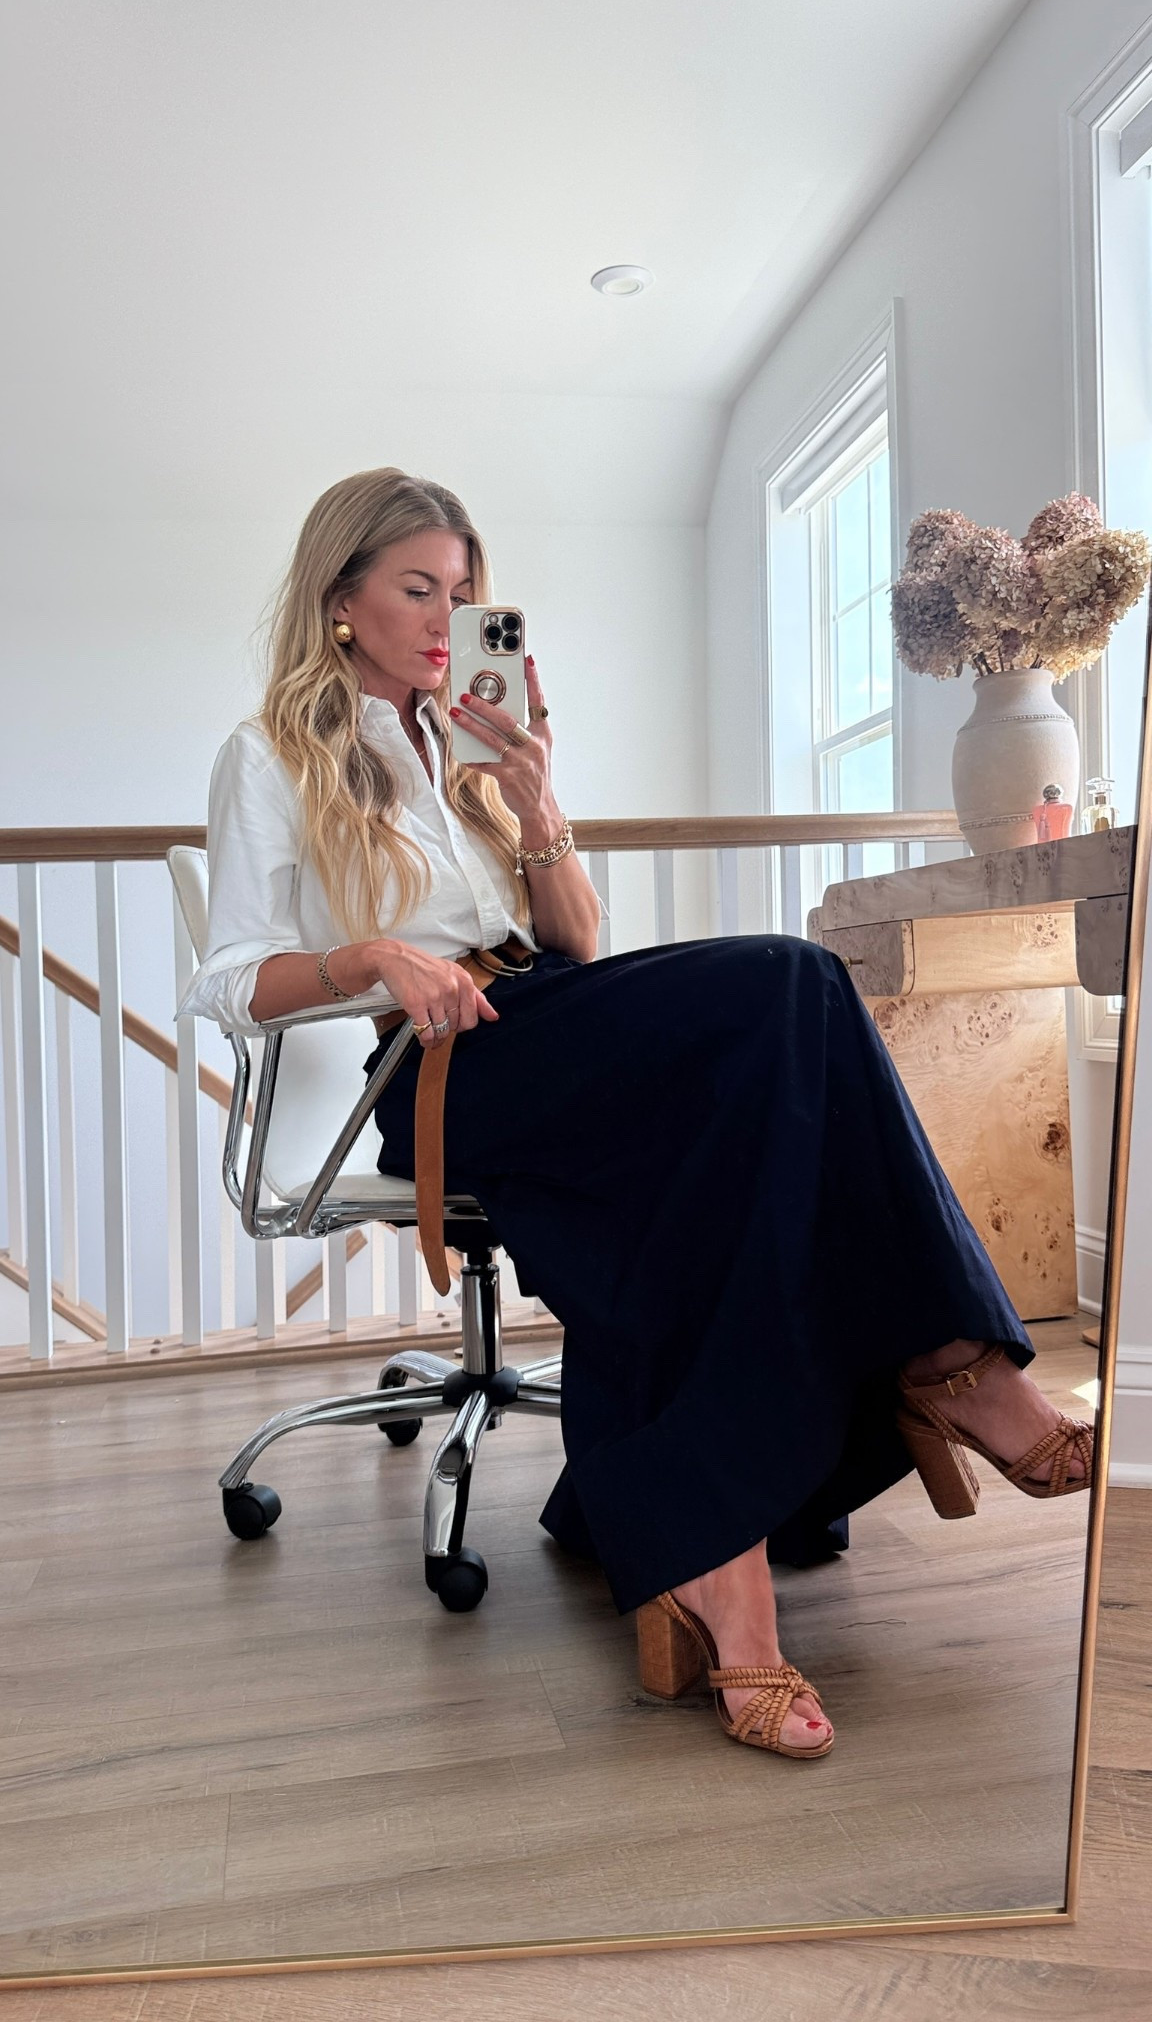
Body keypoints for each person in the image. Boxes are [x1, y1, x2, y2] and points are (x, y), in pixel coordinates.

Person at [180, 467, 1094, 1763]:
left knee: (758, 1088)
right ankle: (952, 1367)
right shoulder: (269, 752)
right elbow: (225, 982)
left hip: (548, 1012)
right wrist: (376, 958)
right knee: (790, 982)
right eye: (419, 588)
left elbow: (574, 942)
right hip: (446, 1064)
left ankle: (729, 1560)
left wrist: (537, 803)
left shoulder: (462, 745)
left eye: (465, 592)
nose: (450, 619)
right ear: (341, 601)